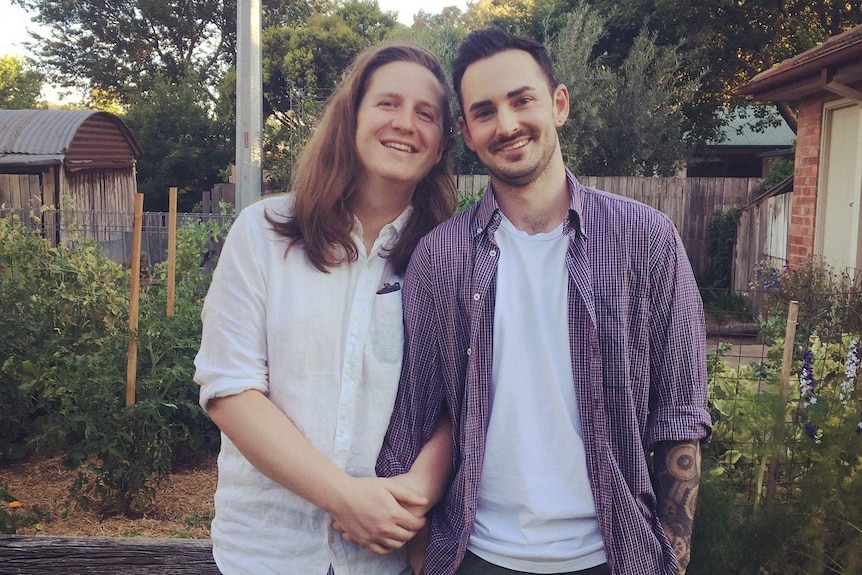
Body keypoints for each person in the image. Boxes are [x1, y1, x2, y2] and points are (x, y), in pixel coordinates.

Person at [377, 28, 712, 575]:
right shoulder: (440, 258)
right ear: (466, 131)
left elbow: (680, 416)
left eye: (521, 100)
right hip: (473, 556)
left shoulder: (646, 239)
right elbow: (416, 413)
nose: (506, 125)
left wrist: (672, 559)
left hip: (612, 557)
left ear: (558, 104)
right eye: (484, 111)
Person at [194, 41, 457, 575]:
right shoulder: (263, 234)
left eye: (425, 113)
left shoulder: (451, 259)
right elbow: (230, 389)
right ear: (351, 117)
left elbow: (466, 398)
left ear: (440, 147)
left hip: (390, 557)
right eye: (388, 103)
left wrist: (415, 494)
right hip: (265, 553)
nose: (405, 122)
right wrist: (345, 498)